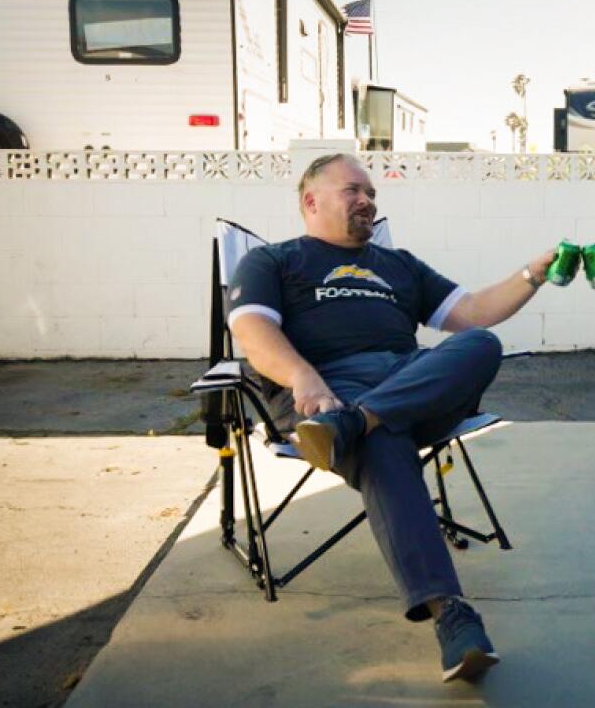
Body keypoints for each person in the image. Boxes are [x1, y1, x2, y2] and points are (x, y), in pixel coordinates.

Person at [227, 153, 555, 682]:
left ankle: (358, 424)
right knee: (381, 445)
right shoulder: (273, 262)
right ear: (311, 202)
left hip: (406, 386)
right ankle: (451, 614)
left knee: (479, 345)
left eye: (372, 193)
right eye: (353, 190)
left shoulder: (399, 265)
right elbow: (253, 334)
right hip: (327, 391)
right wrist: (305, 379)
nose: (368, 201)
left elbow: (471, 313)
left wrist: (530, 274)